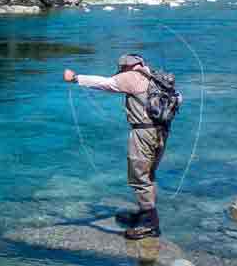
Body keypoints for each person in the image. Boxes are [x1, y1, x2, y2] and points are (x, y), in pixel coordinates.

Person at [64, 54, 166, 239]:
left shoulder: (131, 76)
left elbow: (105, 83)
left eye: (121, 69)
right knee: (149, 173)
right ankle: (145, 212)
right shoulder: (157, 78)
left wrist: (76, 78)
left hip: (143, 133)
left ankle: (150, 225)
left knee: (139, 176)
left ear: (126, 67)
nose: (120, 72)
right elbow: (178, 99)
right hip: (162, 132)